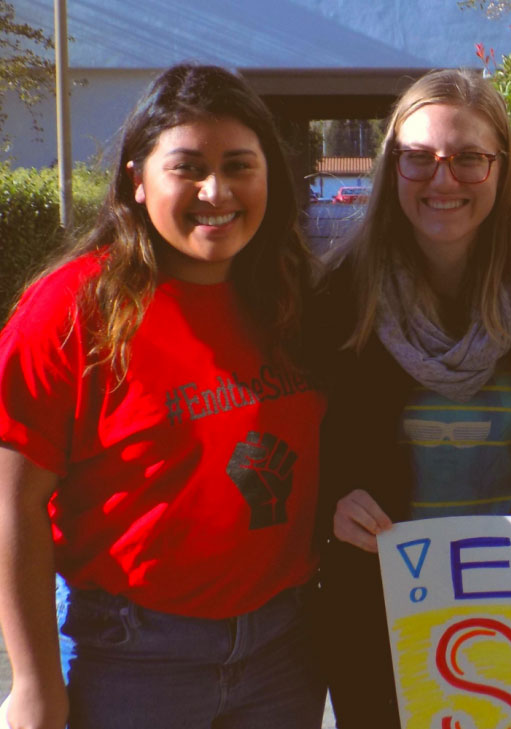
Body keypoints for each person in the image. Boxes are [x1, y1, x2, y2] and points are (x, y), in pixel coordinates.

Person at [0, 64, 324, 729]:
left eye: (240, 165)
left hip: (281, 649)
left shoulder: (292, 295)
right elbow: (13, 504)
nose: (217, 190)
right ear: (137, 181)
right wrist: (33, 683)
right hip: (130, 659)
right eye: (188, 167)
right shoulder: (70, 309)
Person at [311, 68, 511, 729]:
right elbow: (299, 441)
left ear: (502, 167)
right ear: (390, 167)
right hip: (384, 620)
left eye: (468, 158)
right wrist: (329, 502)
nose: (444, 179)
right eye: (419, 159)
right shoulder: (341, 294)